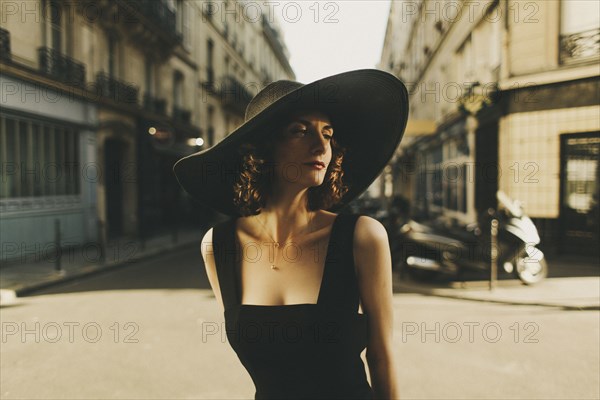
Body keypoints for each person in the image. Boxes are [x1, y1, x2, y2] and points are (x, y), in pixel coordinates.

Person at [173, 69, 408, 399]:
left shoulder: (362, 237)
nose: (321, 145)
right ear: (264, 149)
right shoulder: (218, 246)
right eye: (301, 131)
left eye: (328, 134)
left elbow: (381, 358)